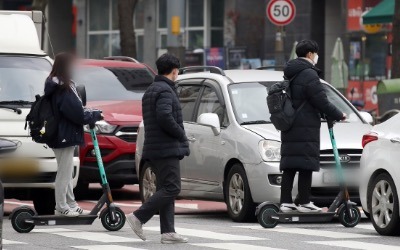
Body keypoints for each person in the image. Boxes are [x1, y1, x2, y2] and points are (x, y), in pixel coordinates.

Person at [127, 54, 190, 244]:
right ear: (174, 71)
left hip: (155, 148)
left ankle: (168, 232)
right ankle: (138, 217)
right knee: (172, 188)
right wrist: (180, 133)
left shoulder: (152, 90)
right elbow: (164, 116)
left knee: (165, 188)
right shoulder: (165, 91)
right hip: (166, 148)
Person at [280, 40, 346, 213]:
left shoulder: (291, 72)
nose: (317, 56)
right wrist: (339, 114)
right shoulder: (308, 73)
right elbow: (320, 99)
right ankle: (304, 202)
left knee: (290, 163)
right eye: (316, 53)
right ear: (310, 54)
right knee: (306, 163)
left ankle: (286, 202)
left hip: (291, 122)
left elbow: (306, 98)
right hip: (306, 125)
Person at [44, 52, 102, 217]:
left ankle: (71, 204)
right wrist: (95, 115)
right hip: (63, 134)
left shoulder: (59, 85)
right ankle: (61, 206)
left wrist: (91, 113)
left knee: (66, 171)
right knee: (64, 173)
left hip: (60, 133)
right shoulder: (63, 88)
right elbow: (77, 114)